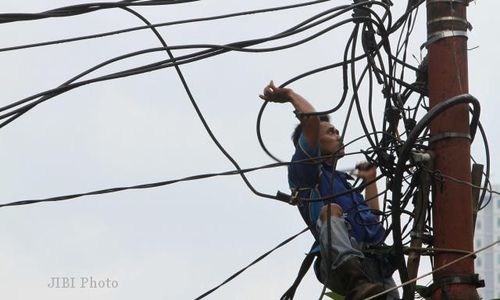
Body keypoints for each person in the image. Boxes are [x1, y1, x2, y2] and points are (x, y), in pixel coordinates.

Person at [259, 81, 398, 300]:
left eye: (338, 132)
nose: (338, 136)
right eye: (331, 132)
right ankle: (355, 279)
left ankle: (361, 284)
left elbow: (372, 222)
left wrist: (370, 181)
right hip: (338, 265)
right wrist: (290, 96)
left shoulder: (341, 182)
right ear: (312, 142)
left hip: (374, 265)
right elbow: (313, 121)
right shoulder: (306, 172)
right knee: (330, 210)